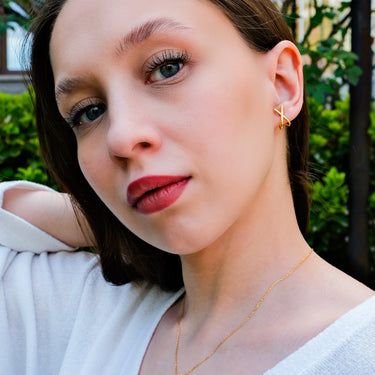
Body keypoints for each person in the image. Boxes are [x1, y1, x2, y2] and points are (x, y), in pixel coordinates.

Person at [0, 0, 374, 374]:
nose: (121, 136)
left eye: (167, 67)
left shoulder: (361, 353)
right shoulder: (79, 314)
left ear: (281, 83)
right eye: (90, 111)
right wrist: (101, 221)